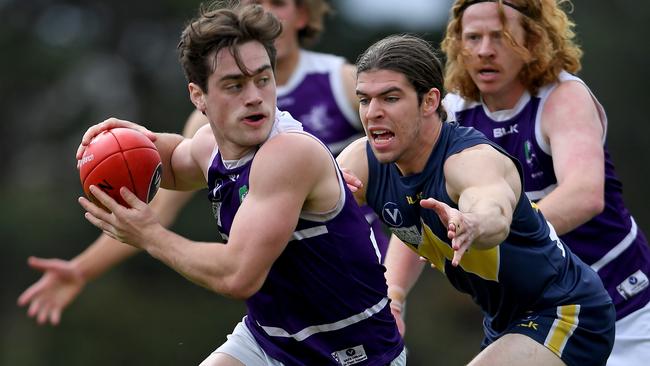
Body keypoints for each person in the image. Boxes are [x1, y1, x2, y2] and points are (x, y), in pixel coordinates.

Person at [18, 0, 389, 326]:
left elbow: (238, 276)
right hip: (272, 335)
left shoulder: (293, 144)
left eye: (263, 80)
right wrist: (125, 141)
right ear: (198, 97)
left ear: (303, 14)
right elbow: (175, 168)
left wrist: (150, 237)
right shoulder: (211, 140)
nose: (255, 97)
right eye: (234, 85)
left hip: (350, 339)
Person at [336, 33, 615, 365]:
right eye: (365, 100)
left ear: (429, 101)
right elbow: (305, 210)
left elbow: (492, 207)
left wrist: (473, 223)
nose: (373, 113)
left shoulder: (468, 160)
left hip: (566, 312)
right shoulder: (362, 162)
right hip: (503, 322)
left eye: (390, 98)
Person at [440, 1, 650, 364]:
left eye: (501, 37)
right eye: (472, 37)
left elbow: (584, 195)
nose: (485, 49)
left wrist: (496, 227)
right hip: (535, 314)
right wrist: (393, 292)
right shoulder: (453, 113)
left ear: (534, 41)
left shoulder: (563, 98)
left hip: (621, 304)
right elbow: (415, 201)